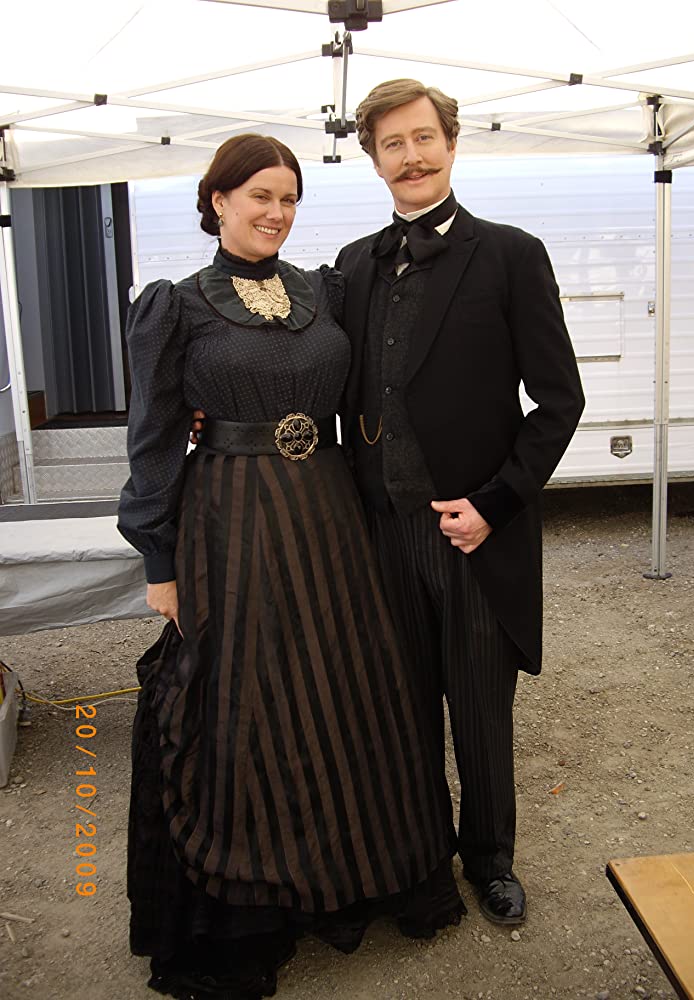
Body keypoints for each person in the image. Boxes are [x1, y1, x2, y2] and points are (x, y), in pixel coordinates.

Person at [118, 132, 465, 1000]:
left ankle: (354, 872)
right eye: (259, 196)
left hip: (328, 514)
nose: (276, 213)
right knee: (250, 701)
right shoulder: (176, 305)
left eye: (289, 198)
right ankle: (252, 901)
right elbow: (153, 440)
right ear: (218, 202)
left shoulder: (323, 290)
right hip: (231, 519)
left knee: (344, 690)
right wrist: (160, 561)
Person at [332, 79, 586, 926]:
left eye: (423, 138)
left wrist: (495, 504)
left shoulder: (511, 255)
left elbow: (559, 400)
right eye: (392, 144)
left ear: (450, 143)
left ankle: (489, 858)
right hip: (382, 534)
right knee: (400, 712)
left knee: (479, 714)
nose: (411, 156)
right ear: (374, 160)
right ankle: (416, 855)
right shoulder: (353, 267)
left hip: (472, 536)